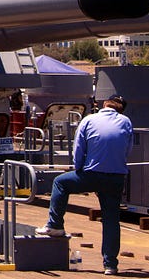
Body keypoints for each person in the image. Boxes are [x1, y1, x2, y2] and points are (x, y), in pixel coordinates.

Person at [36, 94, 133, 276]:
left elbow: (78, 149)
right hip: (116, 177)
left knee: (60, 182)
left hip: (91, 173)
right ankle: (110, 265)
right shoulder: (126, 122)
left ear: (104, 104)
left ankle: (55, 224)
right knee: (111, 219)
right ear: (121, 109)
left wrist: (80, 171)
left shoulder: (89, 120)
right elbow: (128, 150)